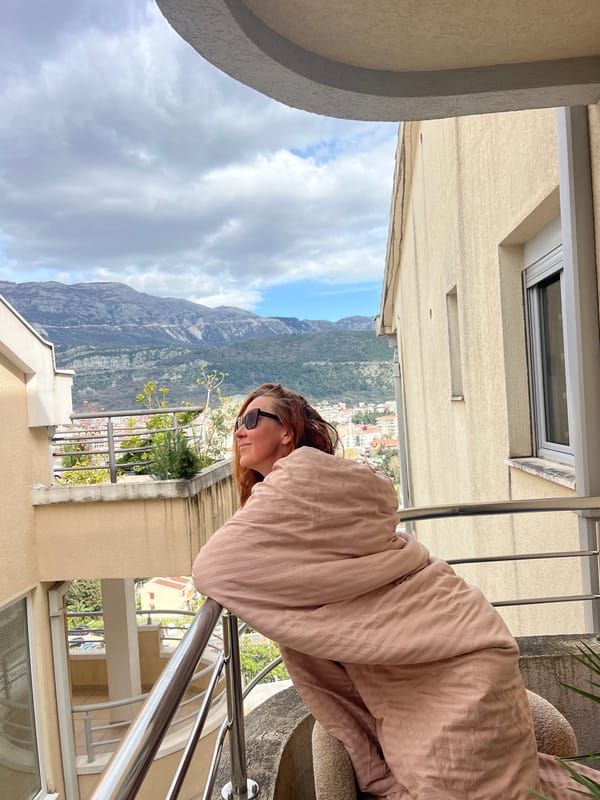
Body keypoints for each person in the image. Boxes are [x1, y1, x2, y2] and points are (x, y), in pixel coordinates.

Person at [193, 383, 597, 799]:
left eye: (253, 418)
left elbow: (213, 568)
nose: (240, 429)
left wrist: (302, 614)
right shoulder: (339, 484)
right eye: (238, 422)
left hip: (443, 658)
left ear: (287, 432)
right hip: (467, 641)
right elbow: (348, 569)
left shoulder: (296, 477)